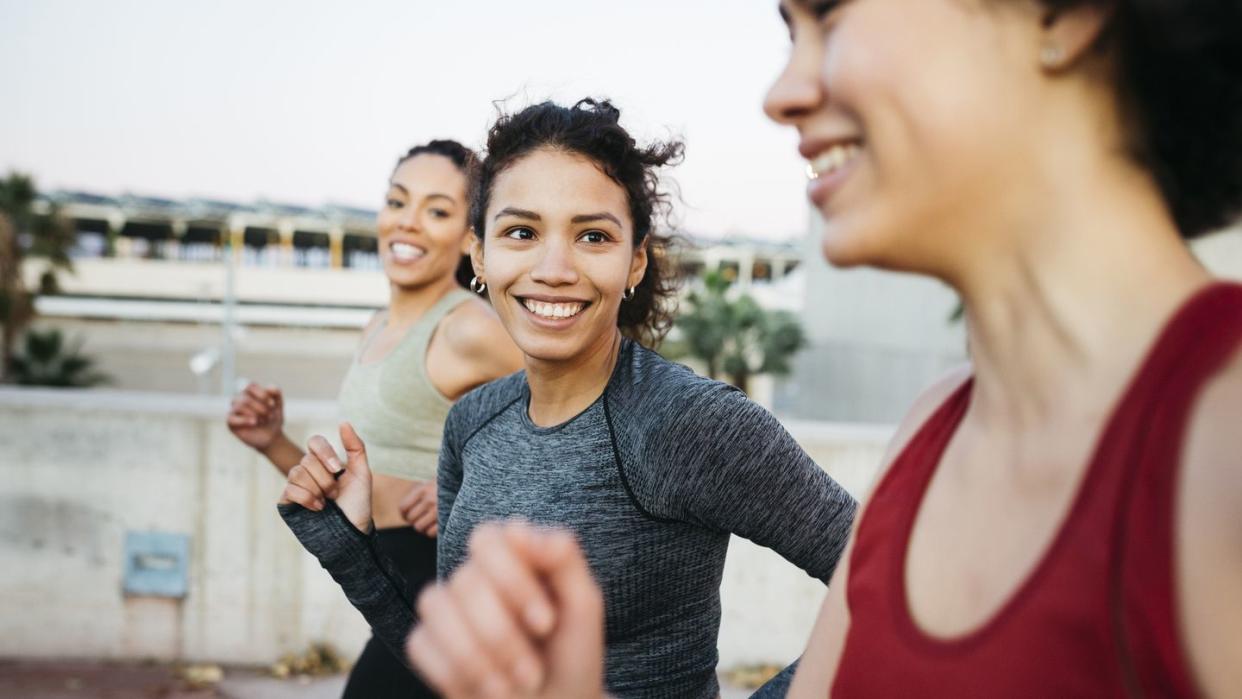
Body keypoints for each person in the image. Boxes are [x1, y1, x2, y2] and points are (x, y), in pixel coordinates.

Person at [399, 0, 1242, 697]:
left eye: (831, 19)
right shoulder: (934, 432)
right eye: (789, 31)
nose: (783, 91)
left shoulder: (1221, 437)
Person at [276, 99, 857, 698]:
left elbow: (888, 587)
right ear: (480, 255)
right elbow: (459, 668)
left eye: (593, 236)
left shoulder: (688, 422)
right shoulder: (473, 422)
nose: (554, 268)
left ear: (634, 262)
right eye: (522, 232)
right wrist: (352, 548)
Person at [226, 139, 522, 698]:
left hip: (449, 579)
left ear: (468, 236)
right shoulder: (377, 326)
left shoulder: (468, 327)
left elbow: (574, 414)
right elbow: (356, 484)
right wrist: (272, 443)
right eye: (397, 202)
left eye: (437, 210)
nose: (408, 223)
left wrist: (473, 490)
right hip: (389, 572)